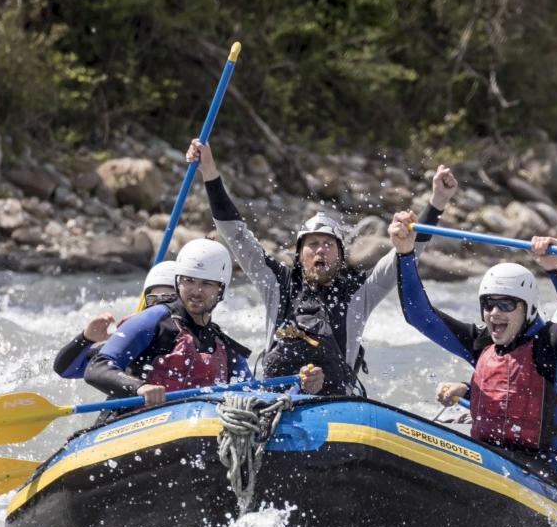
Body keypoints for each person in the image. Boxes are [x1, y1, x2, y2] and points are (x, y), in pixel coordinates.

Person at [187, 139, 457, 395]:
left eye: (328, 245)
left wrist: (437, 203)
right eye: (312, 244)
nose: (320, 250)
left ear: (341, 255)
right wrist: (209, 172)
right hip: (276, 401)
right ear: (299, 254)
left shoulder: (359, 292)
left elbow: (405, 253)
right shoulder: (277, 283)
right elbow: (236, 235)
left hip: (338, 404)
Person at [388, 211, 557, 480]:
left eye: (507, 304)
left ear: (529, 308)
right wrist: (405, 253)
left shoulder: (553, 346)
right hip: (484, 459)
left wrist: (554, 269)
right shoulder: (481, 343)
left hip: (538, 473)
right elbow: (419, 315)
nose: (494, 312)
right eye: (488, 304)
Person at [84, 239, 319, 407]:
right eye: (188, 281)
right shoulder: (152, 321)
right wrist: (139, 387)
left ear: (221, 290)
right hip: (133, 428)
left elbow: (253, 395)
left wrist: (300, 385)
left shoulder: (224, 346)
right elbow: (97, 367)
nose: (196, 291)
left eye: (207, 284)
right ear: (178, 283)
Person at [53, 260, 179, 379]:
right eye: (153, 300)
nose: (160, 307)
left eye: (170, 299)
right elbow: (65, 370)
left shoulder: (195, 335)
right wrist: (86, 339)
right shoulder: (134, 339)